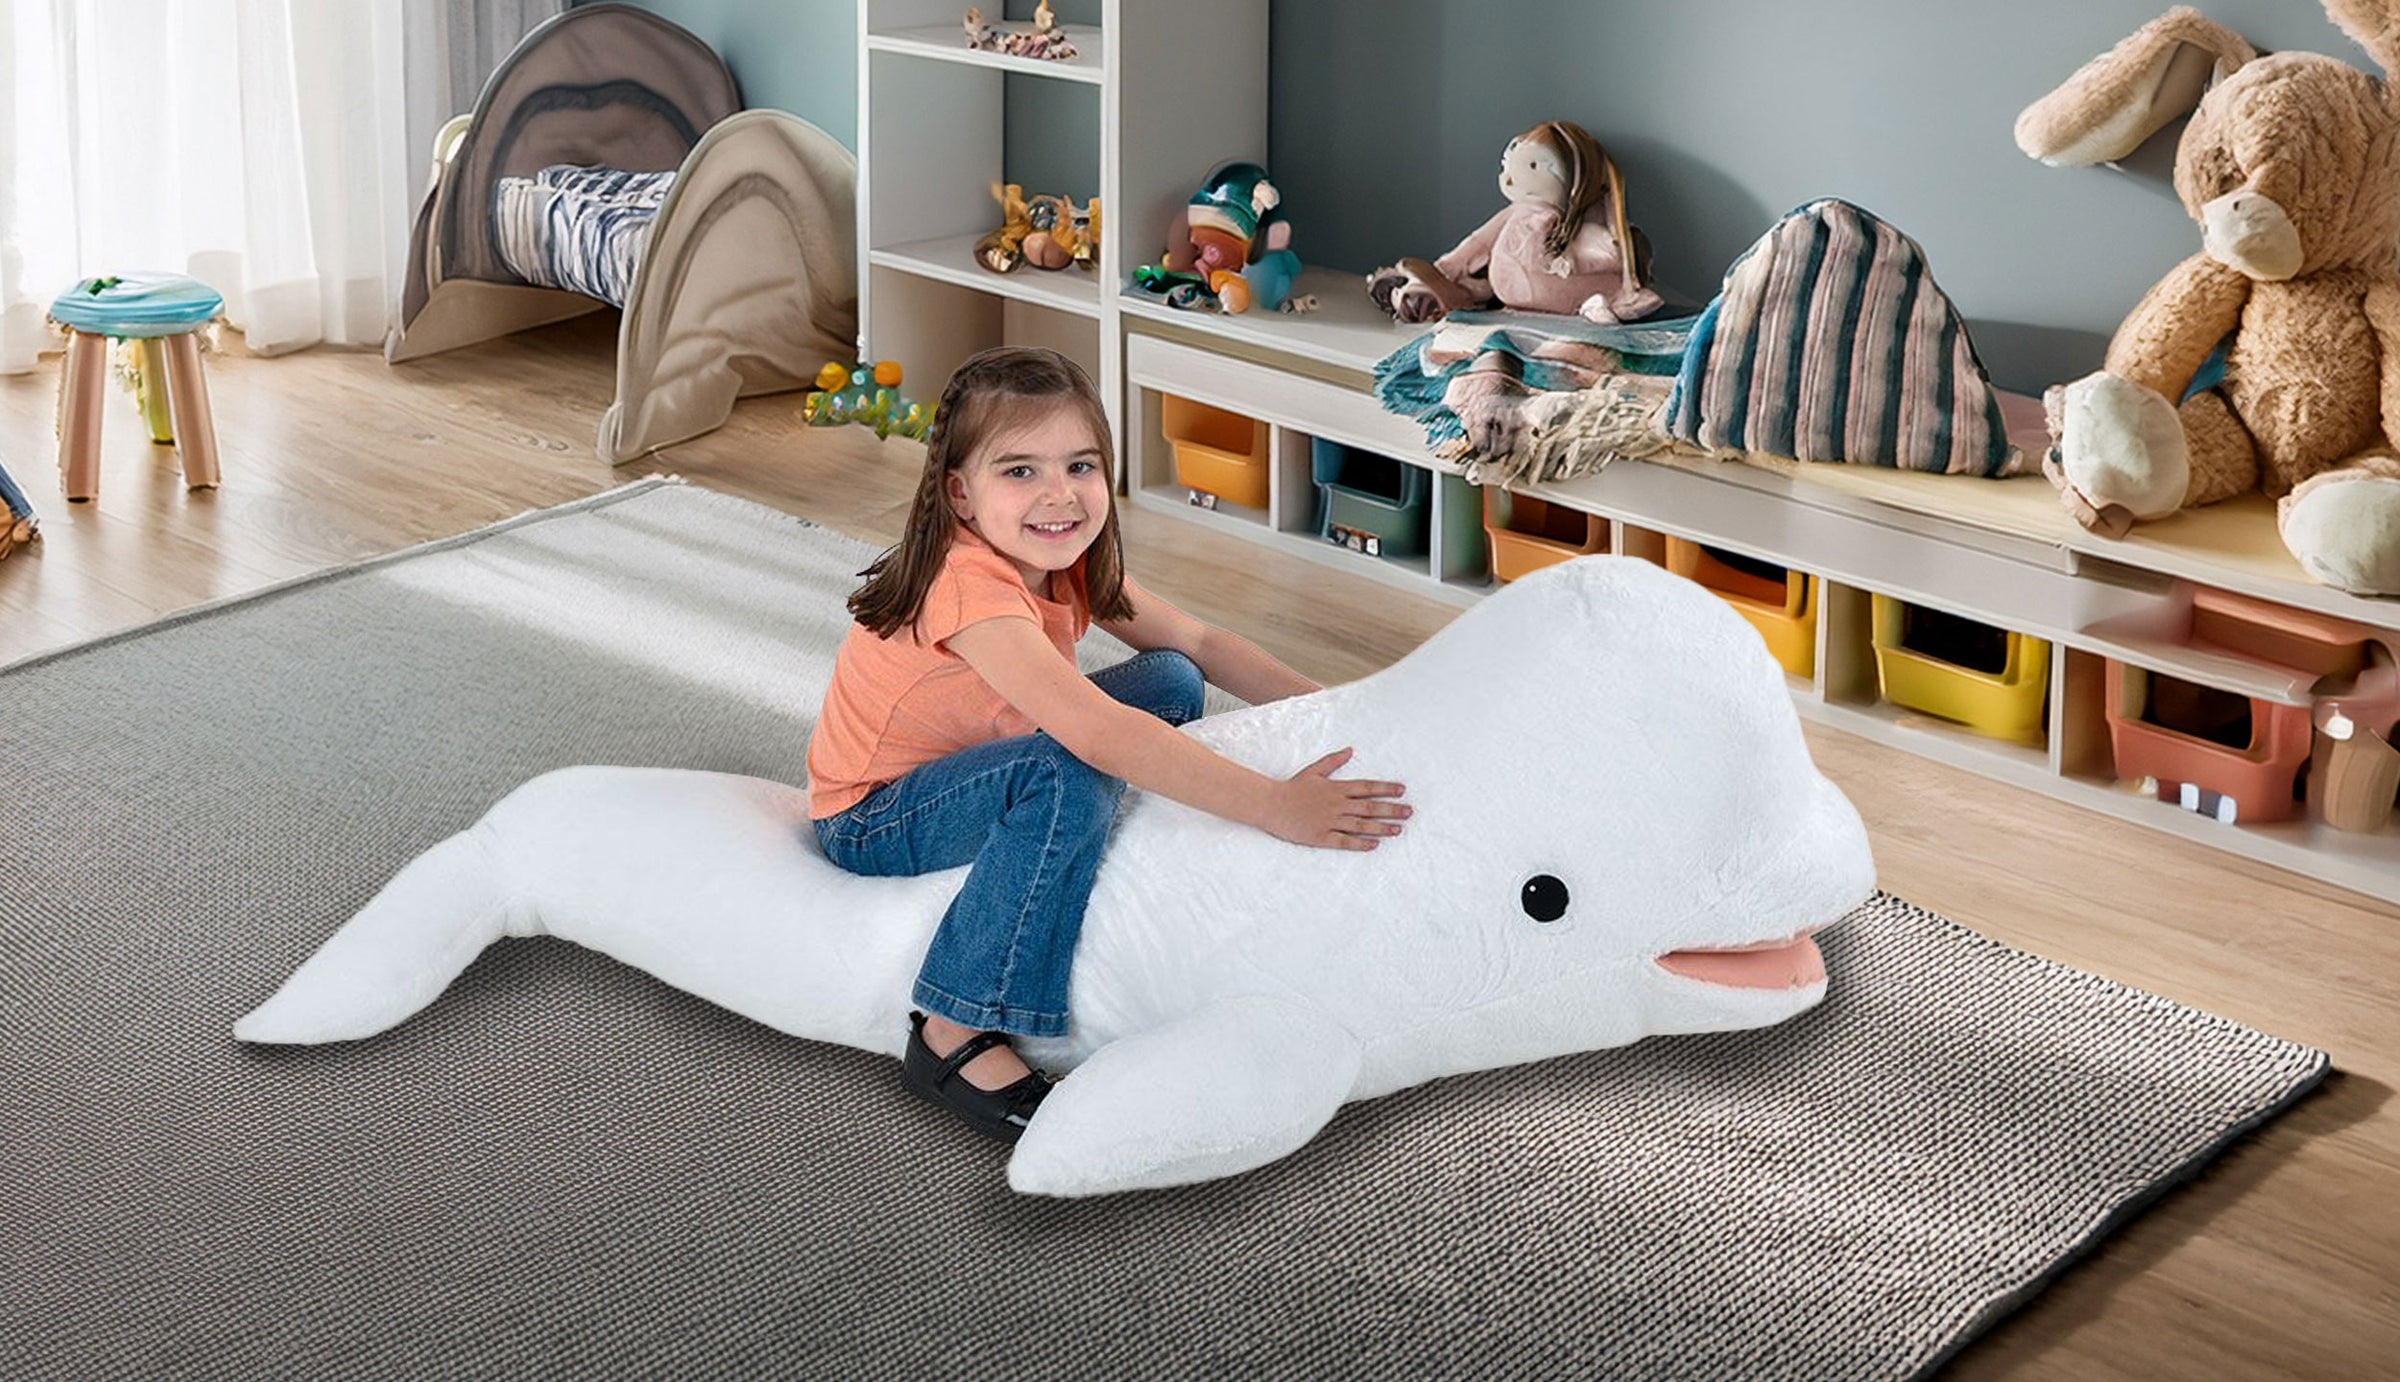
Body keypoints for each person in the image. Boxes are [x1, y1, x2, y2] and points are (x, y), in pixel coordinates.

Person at [807, 346, 1409, 1141]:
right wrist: (1273, 806)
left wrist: (1348, 712)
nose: (1059, 495)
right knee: (1073, 765)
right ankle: (955, 1023)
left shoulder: (1061, 557)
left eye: (1080, 466)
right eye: (1019, 471)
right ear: (960, 494)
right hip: (875, 817)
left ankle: (1099, 818)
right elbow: (1095, 732)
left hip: (978, 763)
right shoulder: (966, 586)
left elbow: (1198, 641)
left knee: (1169, 677)